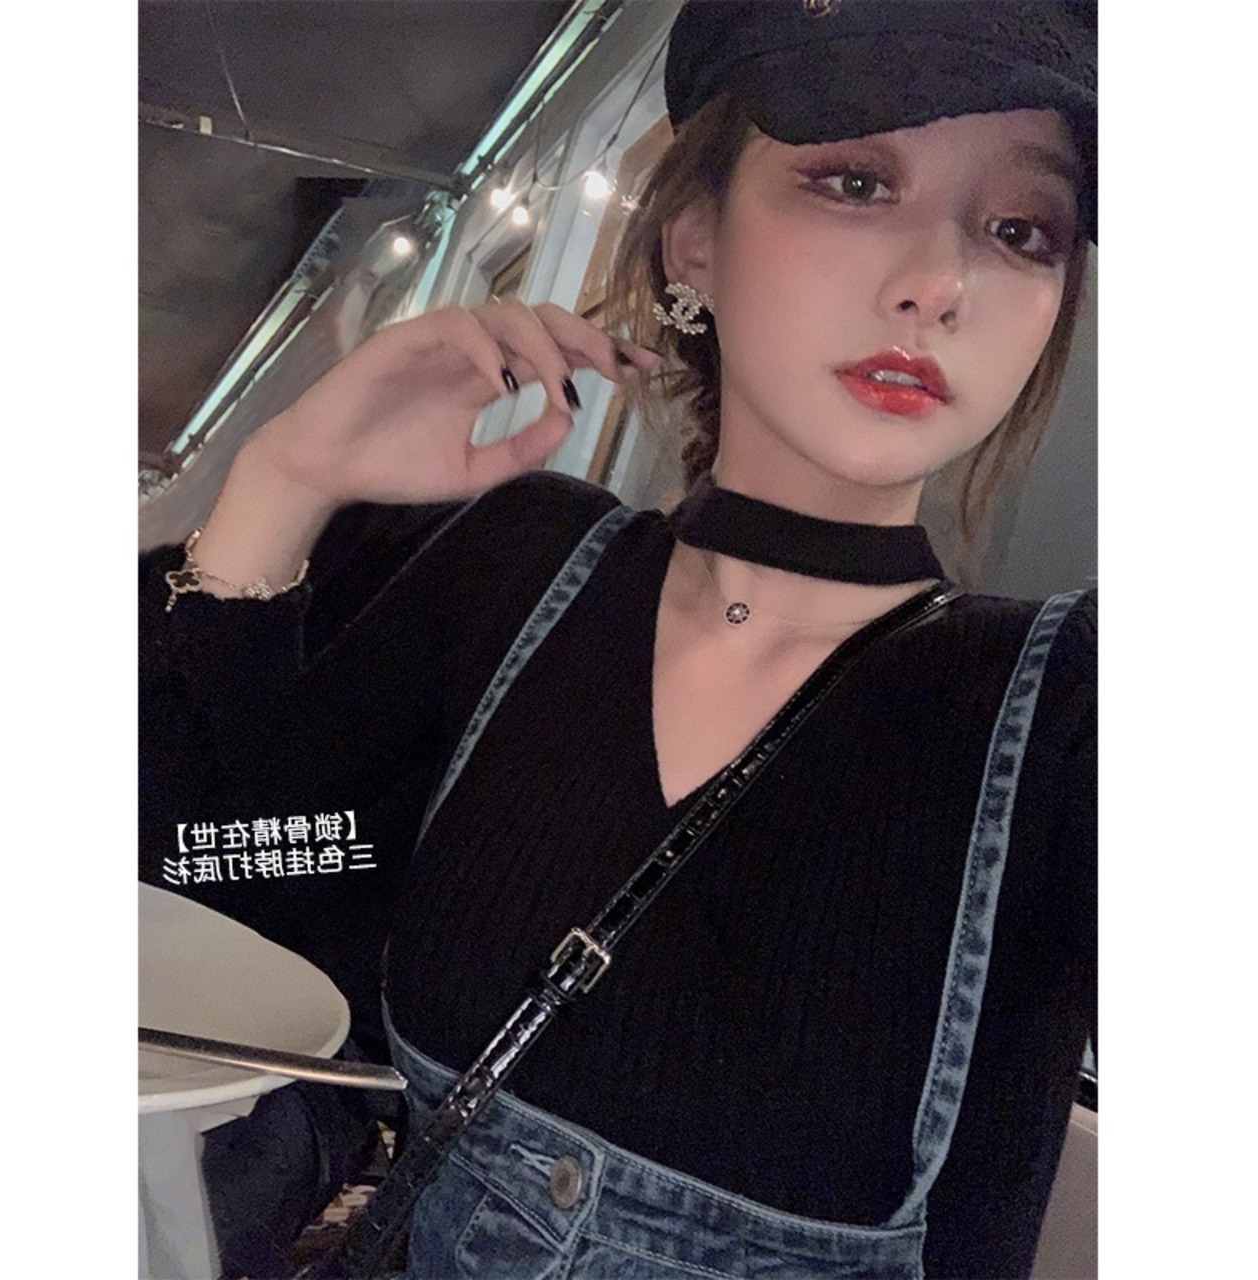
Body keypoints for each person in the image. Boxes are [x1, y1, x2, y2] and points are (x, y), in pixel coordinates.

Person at [139, 2, 1097, 1276]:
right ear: (693, 237)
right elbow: (220, 877)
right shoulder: (522, 566)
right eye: (855, 181)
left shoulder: (1065, 707)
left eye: (1020, 230)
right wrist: (284, 479)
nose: (940, 280)